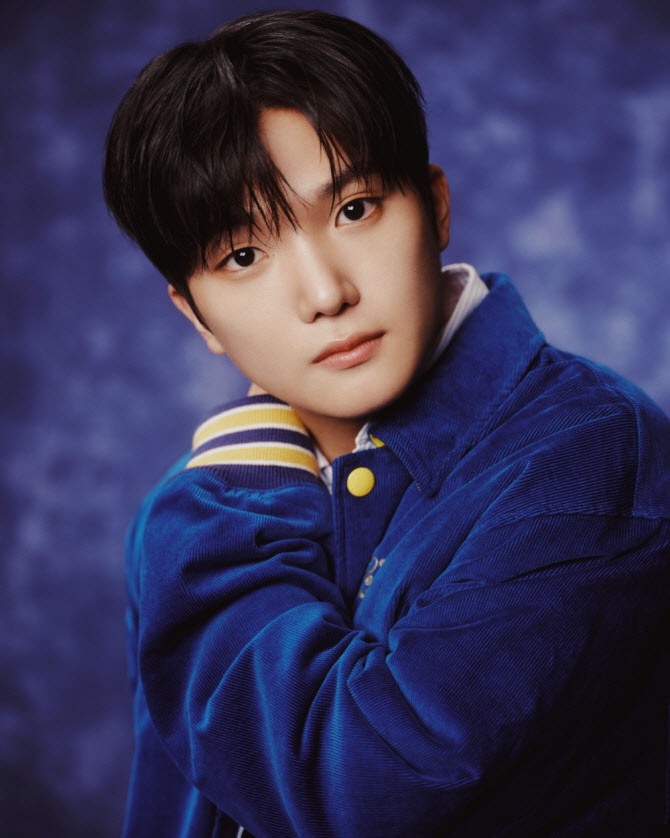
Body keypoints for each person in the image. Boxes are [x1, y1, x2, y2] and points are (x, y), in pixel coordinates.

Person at [103, 10, 670, 837]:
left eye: (356, 208)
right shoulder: (202, 496)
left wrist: (220, 513)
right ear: (197, 316)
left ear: (434, 207)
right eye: (243, 256)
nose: (324, 293)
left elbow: (357, 793)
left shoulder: (589, 458)